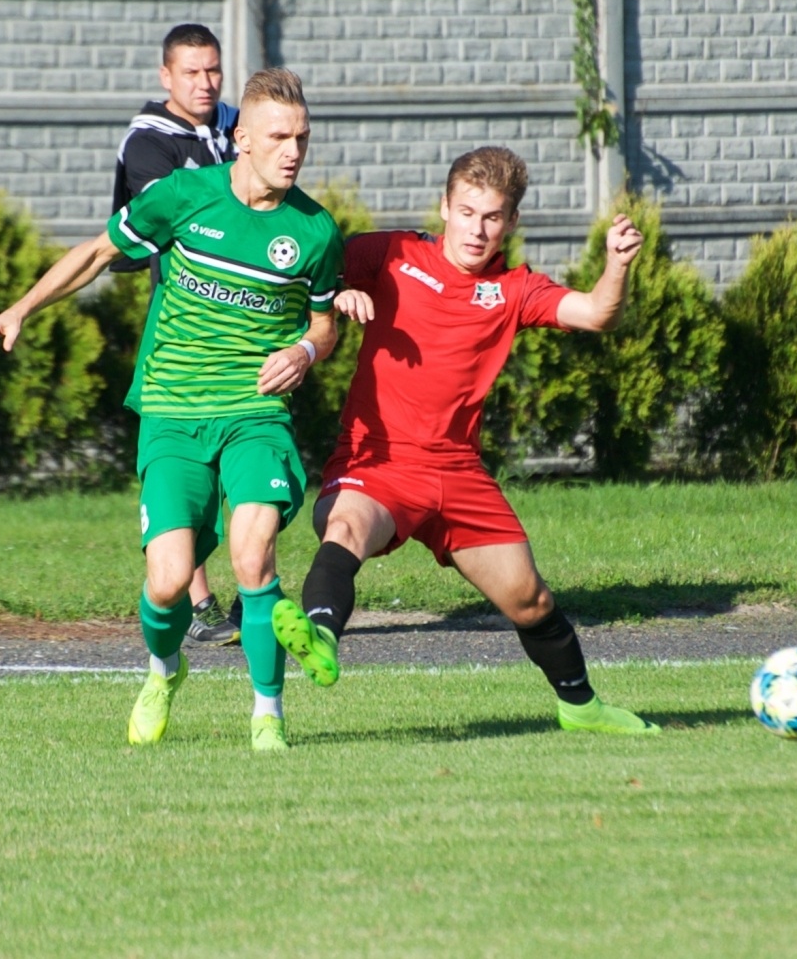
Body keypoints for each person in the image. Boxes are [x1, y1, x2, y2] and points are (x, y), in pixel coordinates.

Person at [0, 69, 343, 751]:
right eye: (278, 138)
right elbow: (97, 253)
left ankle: (268, 715)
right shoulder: (184, 197)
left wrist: (307, 352)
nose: (293, 152)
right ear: (242, 139)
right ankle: (163, 670)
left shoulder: (315, 233)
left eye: (303, 138)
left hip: (253, 414)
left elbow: (324, 326)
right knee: (170, 581)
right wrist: (20, 309)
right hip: (173, 413)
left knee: (253, 553)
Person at [271, 146, 661, 736]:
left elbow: (596, 313)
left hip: (457, 472)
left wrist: (617, 264)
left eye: (493, 217)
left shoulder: (514, 289)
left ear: (511, 223)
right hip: (376, 459)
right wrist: (336, 297)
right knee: (345, 529)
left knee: (529, 599)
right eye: (468, 212)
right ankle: (320, 635)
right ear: (446, 207)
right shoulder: (392, 252)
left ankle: (582, 708)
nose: (477, 230)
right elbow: (306, 275)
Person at [111, 23, 244, 648]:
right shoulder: (149, 142)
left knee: (239, 452)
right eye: (191, 72)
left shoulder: (234, 123)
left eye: (213, 69)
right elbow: (177, 218)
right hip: (183, 313)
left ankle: (252, 587)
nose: (205, 82)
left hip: (243, 317)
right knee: (185, 463)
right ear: (166, 77)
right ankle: (199, 603)